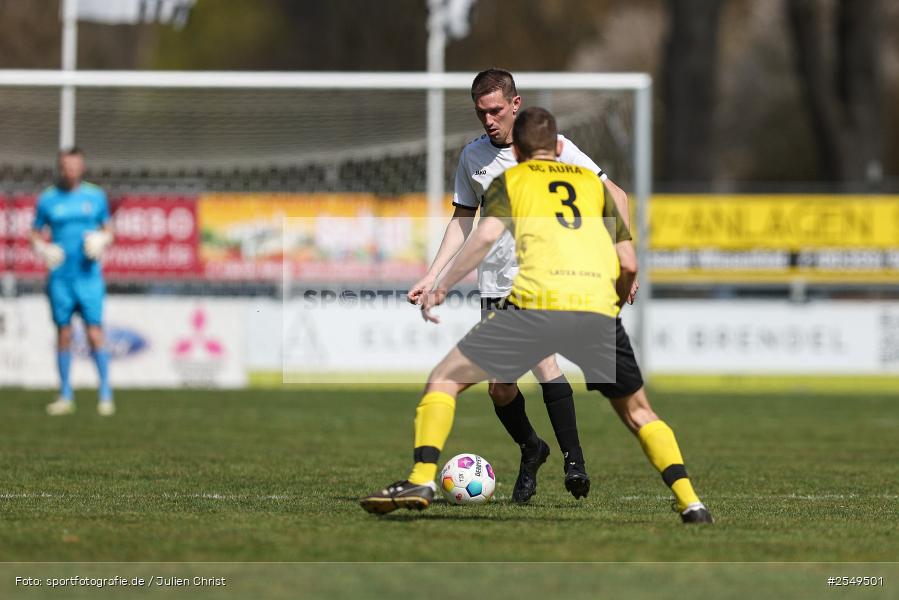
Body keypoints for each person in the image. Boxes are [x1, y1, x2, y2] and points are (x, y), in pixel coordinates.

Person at [363, 107, 711, 524]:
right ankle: (691, 502)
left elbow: (485, 235)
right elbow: (630, 262)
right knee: (640, 413)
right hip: (594, 310)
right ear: (560, 147)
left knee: (444, 379)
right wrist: (613, 305)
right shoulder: (590, 184)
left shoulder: (511, 179)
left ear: (521, 151)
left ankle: (422, 477)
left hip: (533, 306)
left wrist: (441, 285)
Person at [408, 68, 636, 503]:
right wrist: (433, 274)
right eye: (481, 113)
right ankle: (533, 449)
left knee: (546, 365)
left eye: (495, 110)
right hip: (494, 285)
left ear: (515, 104)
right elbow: (463, 221)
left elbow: (617, 195)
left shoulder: (557, 148)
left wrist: (623, 257)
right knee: (501, 387)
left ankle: (575, 463)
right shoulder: (472, 157)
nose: (489, 119)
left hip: (546, 278)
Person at [31, 147, 115, 416]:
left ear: (82, 166)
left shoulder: (96, 196)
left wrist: (103, 239)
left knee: (94, 332)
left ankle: (105, 393)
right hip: (60, 278)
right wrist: (43, 249)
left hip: (89, 276)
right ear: (60, 167)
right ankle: (65, 394)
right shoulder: (48, 199)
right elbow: (34, 232)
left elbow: (109, 228)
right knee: (64, 333)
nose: (71, 170)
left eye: (75, 165)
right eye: (67, 165)